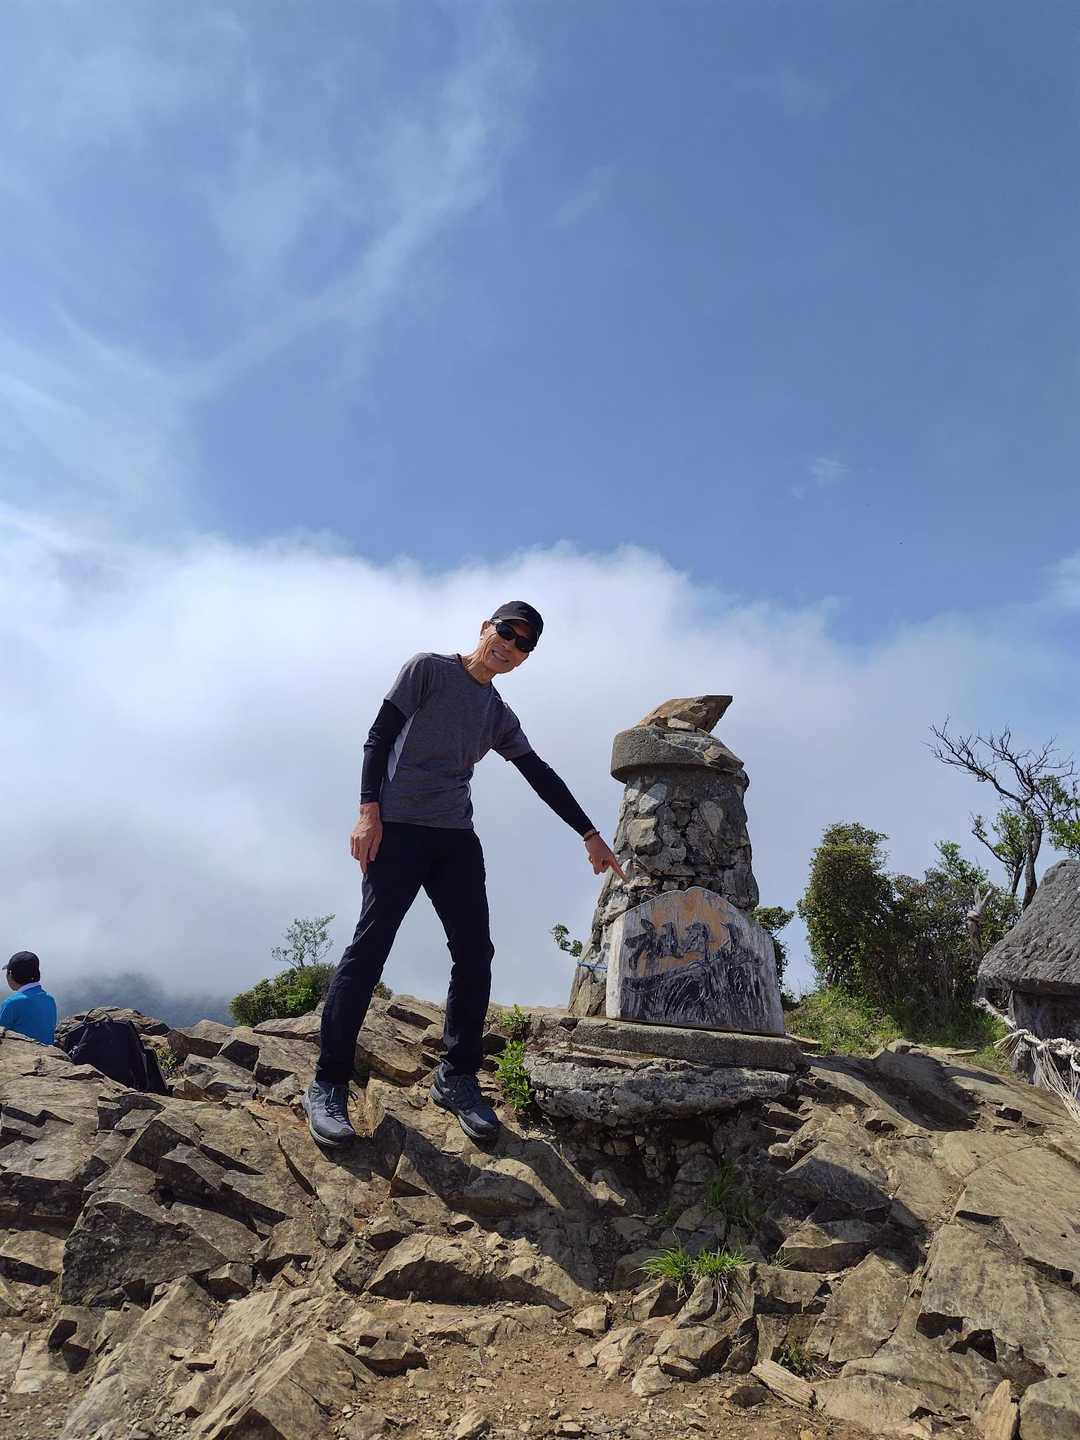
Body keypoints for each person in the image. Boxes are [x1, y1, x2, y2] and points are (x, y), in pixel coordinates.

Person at [305, 601, 625, 1147]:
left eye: (523, 644)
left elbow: (538, 772)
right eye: (506, 632)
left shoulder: (497, 713)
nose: (510, 645)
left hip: (454, 837)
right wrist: (367, 812)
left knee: (475, 953)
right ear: (484, 628)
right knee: (370, 947)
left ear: (524, 659)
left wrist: (589, 833)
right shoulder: (428, 669)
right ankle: (329, 1082)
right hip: (396, 829)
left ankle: (456, 1077)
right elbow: (378, 738)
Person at [1, 951, 58, 1046]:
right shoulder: (49, 999)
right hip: (48, 1052)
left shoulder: (12, 1003)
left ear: (10, 975)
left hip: (21, 1053)